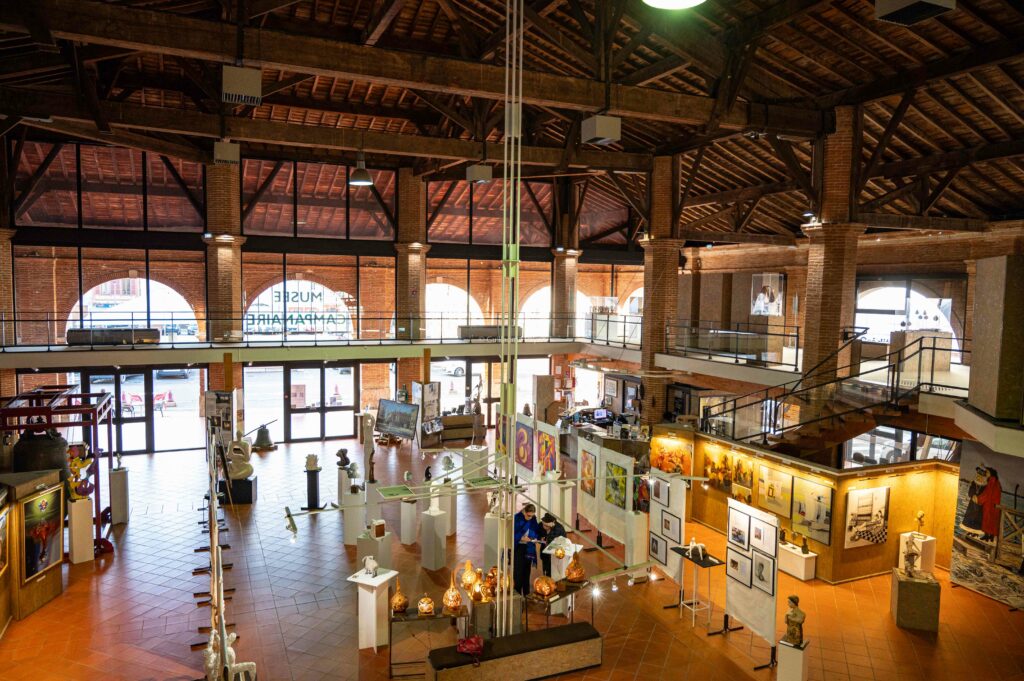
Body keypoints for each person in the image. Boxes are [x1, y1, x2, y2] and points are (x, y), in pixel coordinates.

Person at [513, 503, 540, 596]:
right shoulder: (517, 518)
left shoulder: (533, 519)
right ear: (524, 511)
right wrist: (521, 538)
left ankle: (526, 594)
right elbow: (511, 533)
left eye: (532, 516)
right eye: (528, 516)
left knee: (526, 572)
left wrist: (534, 538)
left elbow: (536, 530)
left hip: (529, 548)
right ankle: (517, 594)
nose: (530, 518)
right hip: (519, 548)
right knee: (518, 572)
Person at [977, 466, 1002, 542]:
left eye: (987, 472)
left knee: (987, 519)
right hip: (994, 505)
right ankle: (990, 536)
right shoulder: (997, 482)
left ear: (991, 473)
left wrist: (979, 499)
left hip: (989, 504)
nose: (986, 473)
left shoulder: (992, 481)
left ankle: (987, 535)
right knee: (992, 520)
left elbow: (987, 493)